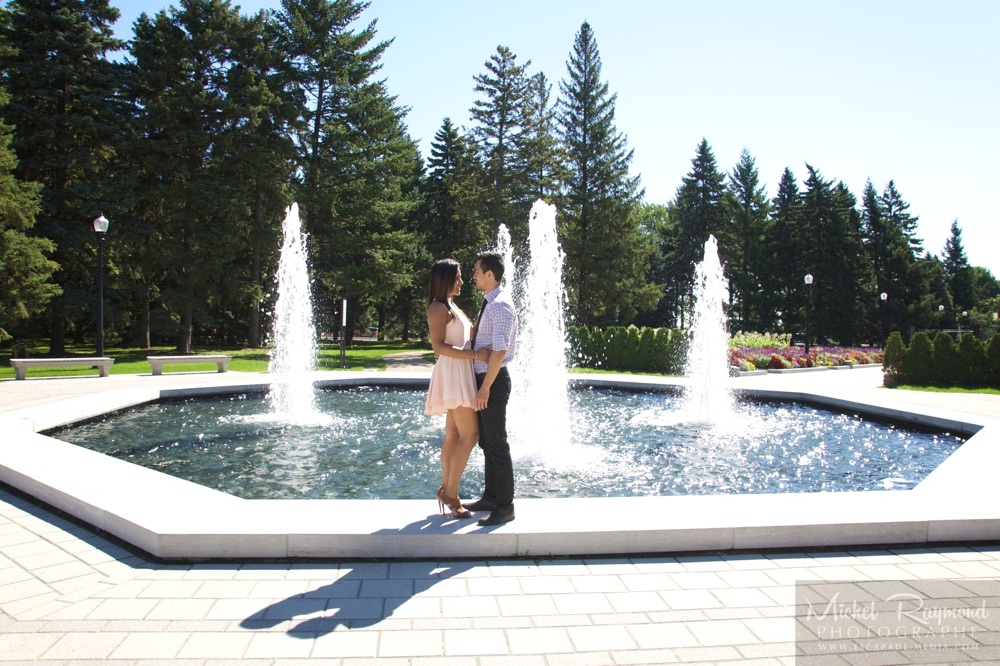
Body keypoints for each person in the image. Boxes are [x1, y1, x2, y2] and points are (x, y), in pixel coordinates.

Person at [424, 259, 490, 518]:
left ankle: (448, 490)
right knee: (470, 436)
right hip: (454, 374)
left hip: (458, 371)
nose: (462, 282)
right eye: (458, 278)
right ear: (445, 279)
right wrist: (476, 355)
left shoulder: (451, 305)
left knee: (453, 436)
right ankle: (451, 493)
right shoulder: (438, 307)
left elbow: (459, 339)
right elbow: (438, 347)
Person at [464, 252, 518, 526]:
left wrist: (484, 389)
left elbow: (499, 351)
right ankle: (491, 496)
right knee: (487, 442)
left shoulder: (500, 305)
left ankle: (505, 507)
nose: (473, 275)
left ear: (489, 274)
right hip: (487, 379)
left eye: (476, 270)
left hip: (493, 381)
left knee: (497, 445)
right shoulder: (491, 302)